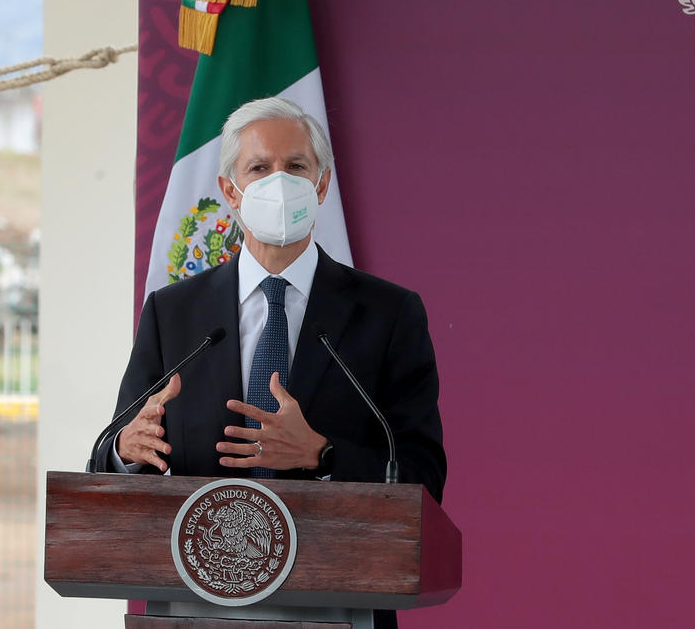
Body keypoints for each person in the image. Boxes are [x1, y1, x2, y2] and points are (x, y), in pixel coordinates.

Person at [95, 97, 445, 627]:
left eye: (296, 166)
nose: (279, 182)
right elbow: (110, 455)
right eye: (259, 168)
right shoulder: (173, 314)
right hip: (194, 602)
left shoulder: (388, 314)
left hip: (341, 596)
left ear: (321, 185)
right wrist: (125, 450)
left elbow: (424, 475)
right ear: (230, 190)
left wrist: (323, 455)